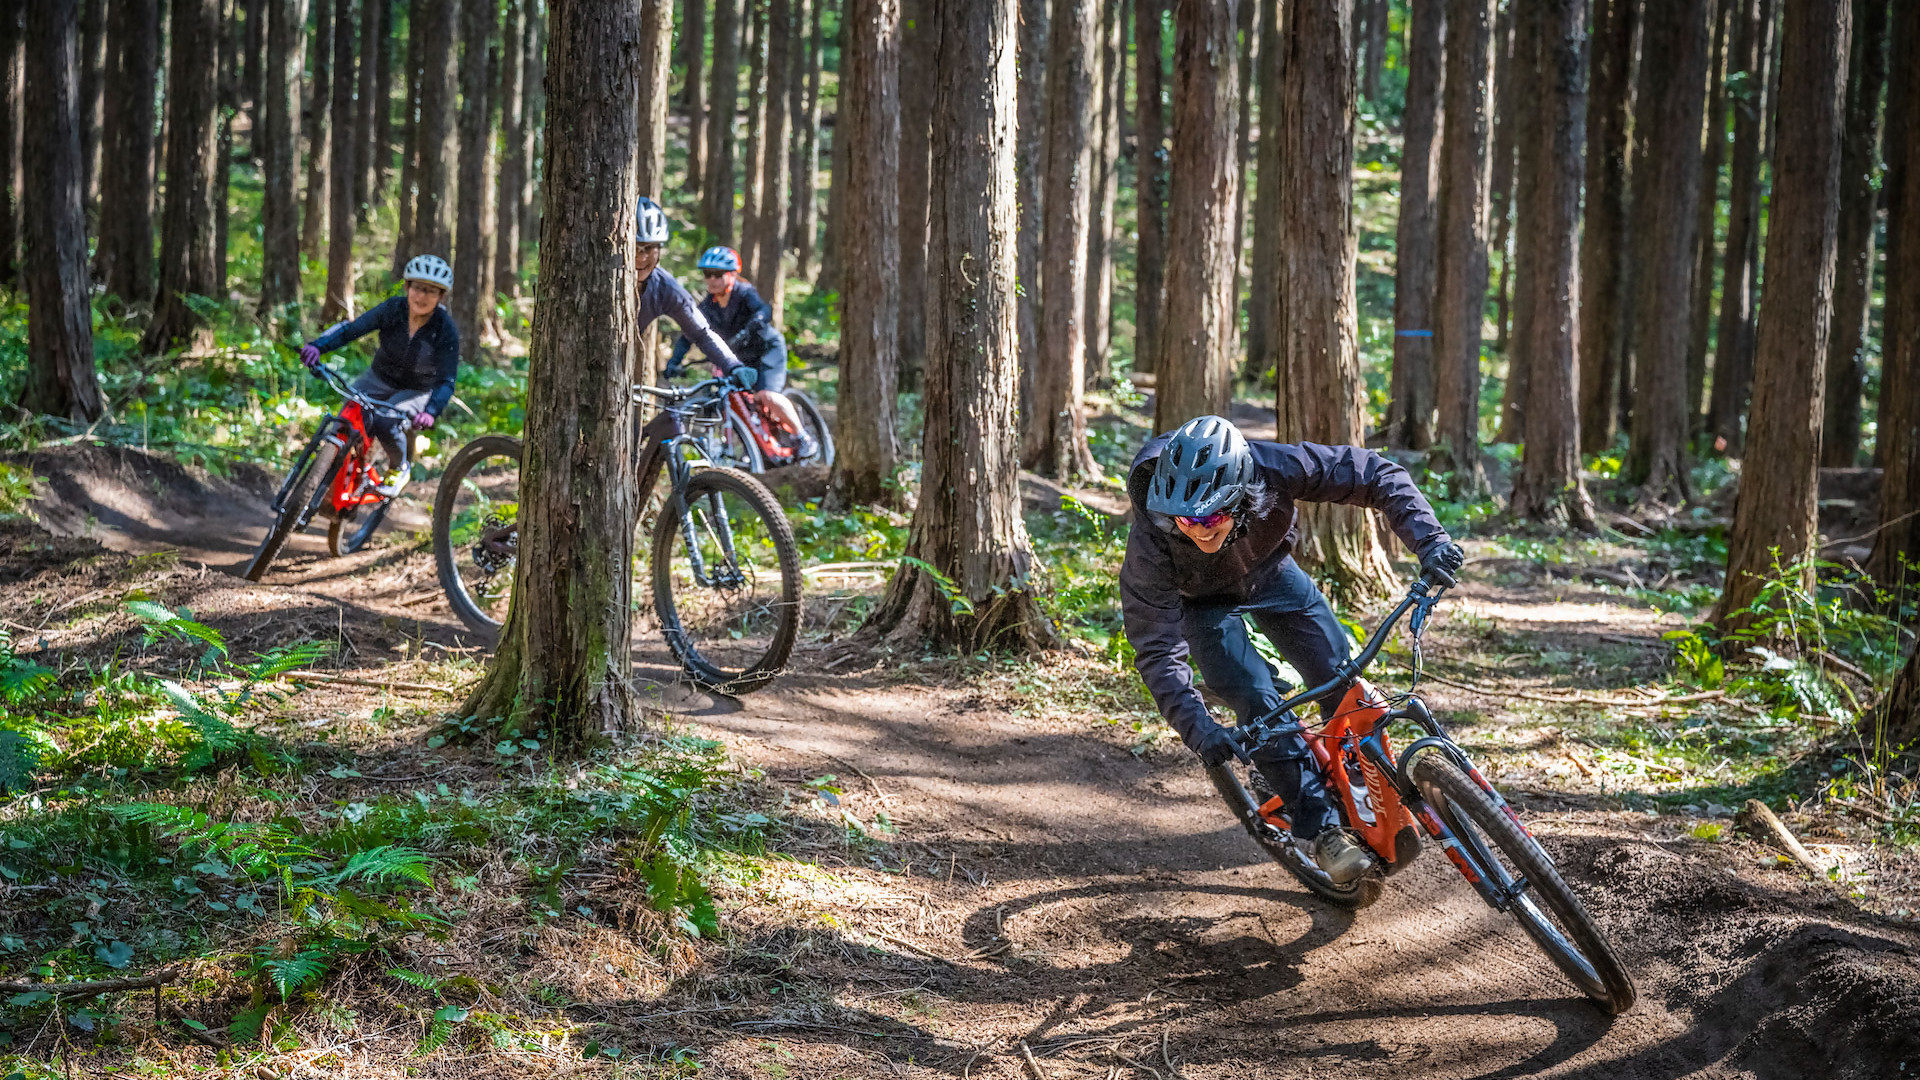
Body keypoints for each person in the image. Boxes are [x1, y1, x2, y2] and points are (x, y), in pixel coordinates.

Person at [1120, 415, 1465, 885]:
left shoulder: (1271, 466)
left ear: (1242, 492)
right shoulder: (1152, 543)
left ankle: (1362, 783)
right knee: (1255, 696)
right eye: (1187, 519)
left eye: (1213, 515)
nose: (1200, 530)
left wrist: (1430, 540)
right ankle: (1323, 829)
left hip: (1271, 572)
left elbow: (1373, 473)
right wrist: (1200, 731)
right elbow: (1157, 648)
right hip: (1201, 604)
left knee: (1339, 677)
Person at [299, 254, 460, 496]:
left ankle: (399, 468)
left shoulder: (445, 329)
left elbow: (447, 381)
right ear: (407, 286)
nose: (422, 296)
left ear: (440, 297)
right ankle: (323, 473)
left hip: (417, 390)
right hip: (379, 377)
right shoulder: (392, 309)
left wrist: (430, 412)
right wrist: (318, 346)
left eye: (430, 291)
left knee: (386, 420)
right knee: (346, 418)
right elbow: (352, 329)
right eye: (417, 288)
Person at [667, 245, 819, 460]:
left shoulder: (745, 293)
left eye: (717, 274)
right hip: (738, 357)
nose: (711, 279)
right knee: (730, 397)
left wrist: (755, 324)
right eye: (707, 274)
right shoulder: (707, 307)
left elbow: (763, 310)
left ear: (732, 275)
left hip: (766, 352)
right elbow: (687, 336)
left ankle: (804, 438)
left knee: (767, 395)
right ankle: (750, 448)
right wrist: (673, 362)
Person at [632, 198, 758, 400]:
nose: (640, 258)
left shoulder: (664, 288)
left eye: (648, 248)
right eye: (634, 247)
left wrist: (733, 366)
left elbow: (700, 333)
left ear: (660, 248)